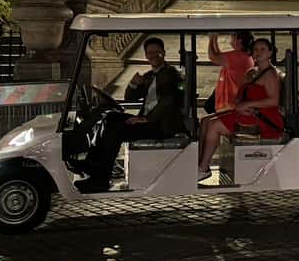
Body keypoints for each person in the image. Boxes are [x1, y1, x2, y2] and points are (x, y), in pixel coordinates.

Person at [75, 37, 184, 193]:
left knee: (115, 132)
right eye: (149, 53)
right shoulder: (150, 76)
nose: (153, 56)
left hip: (160, 124)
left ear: (164, 53)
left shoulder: (170, 74)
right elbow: (129, 97)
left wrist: (146, 118)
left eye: (157, 52)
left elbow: (168, 101)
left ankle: (101, 180)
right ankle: (91, 164)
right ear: (146, 55)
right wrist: (133, 84)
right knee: (109, 118)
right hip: (149, 120)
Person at [198, 38, 283, 180]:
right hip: (247, 112)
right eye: (255, 50)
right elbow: (241, 95)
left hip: (262, 117)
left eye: (262, 49)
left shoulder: (270, 75)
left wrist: (248, 105)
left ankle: (204, 168)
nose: (258, 52)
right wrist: (240, 103)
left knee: (214, 126)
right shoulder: (252, 72)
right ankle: (199, 164)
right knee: (206, 121)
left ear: (270, 53)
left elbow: (273, 100)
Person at [206, 30, 254, 113]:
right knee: (209, 106)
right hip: (234, 98)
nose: (230, 40)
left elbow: (213, 57)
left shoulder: (236, 56)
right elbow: (218, 54)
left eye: (232, 37)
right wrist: (214, 38)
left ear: (239, 40)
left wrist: (211, 38)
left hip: (230, 102)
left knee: (208, 110)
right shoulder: (243, 55)